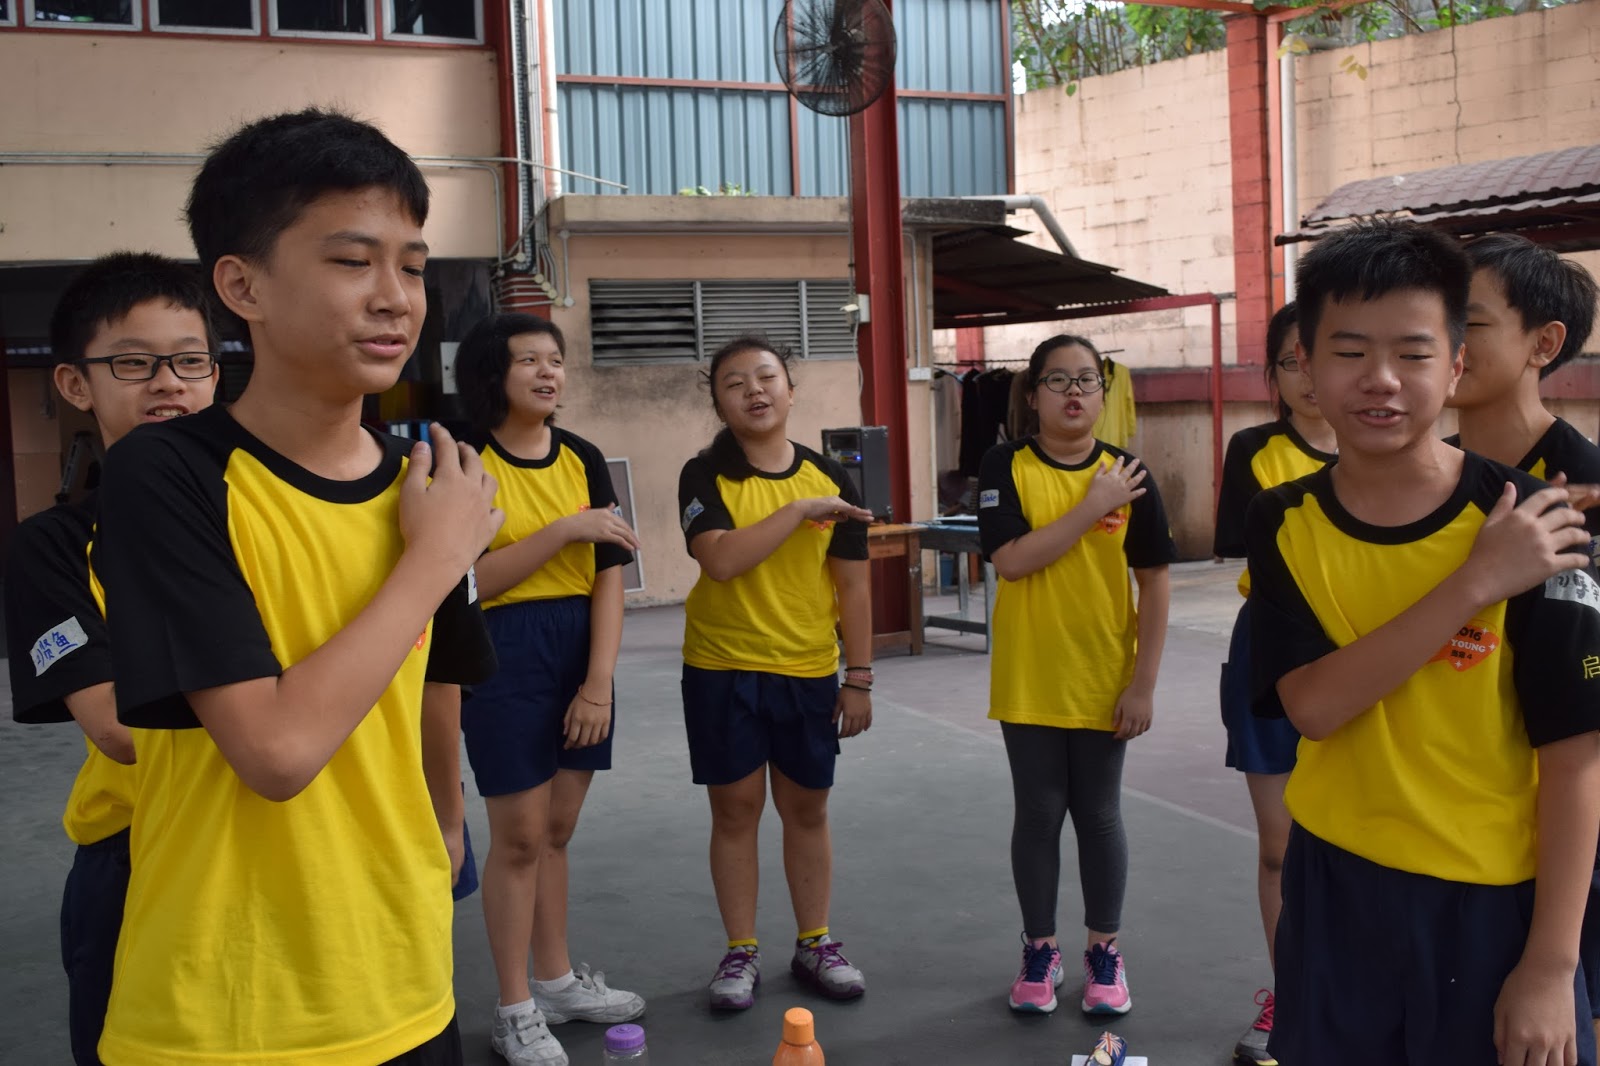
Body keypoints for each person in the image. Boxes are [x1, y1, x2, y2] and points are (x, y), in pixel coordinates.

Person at [92, 108, 501, 1066]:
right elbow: (274, 752)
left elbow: (437, 680)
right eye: (353, 261)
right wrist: (434, 559)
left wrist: (447, 820)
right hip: (230, 1008)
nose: (396, 299)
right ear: (243, 286)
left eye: (413, 266)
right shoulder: (169, 474)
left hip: (407, 981)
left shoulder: (423, 483)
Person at [1247, 220, 1600, 1066]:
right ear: (1305, 365)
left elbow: (1576, 760)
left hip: (1493, 902)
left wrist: (1553, 966)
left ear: (1455, 365)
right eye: (1349, 352)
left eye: (1413, 352)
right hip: (1336, 889)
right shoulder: (1284, 520)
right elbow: (1314, 707)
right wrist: (1476, 585)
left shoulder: (1536, 518)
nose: (1381, 379)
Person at [3, 252, 219, 1065]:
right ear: (74, 383)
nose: (169, 384)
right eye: (134, 363)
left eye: (190, 362)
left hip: (297, 830)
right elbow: (117, 728)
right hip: (137, 848)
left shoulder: (272, 515)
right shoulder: (54, 548)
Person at [453, 312, 645, 1066]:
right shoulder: (463, 459)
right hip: (500, 651)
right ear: (491, 374)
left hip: (579, 648)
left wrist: (599, 681)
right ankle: (514, 1008)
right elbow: (462, 583)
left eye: (555, 360)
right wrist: (563, 531)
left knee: (557, 831)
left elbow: (610, 576)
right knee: (520, 837)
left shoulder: (584, 456)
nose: (547, 372)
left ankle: (558, 982)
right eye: (528, 359)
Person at [977, 334, 1176, 1017]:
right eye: (1057, 380)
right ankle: (1040, 950)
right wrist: (1093, 506)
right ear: (1033, 395)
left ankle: (1103, 952)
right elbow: (1012, 560)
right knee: (1037, 812)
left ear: (1103, 394)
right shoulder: (1005, 464)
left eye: (1087, 380)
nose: (1073, 392)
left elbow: (1155, 582)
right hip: (1030, 674)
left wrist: (1143, 683)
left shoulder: (1131, 474)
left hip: (1103, 676)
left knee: (1098, 814)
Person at [676, 334, 874, 1012]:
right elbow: (721, 560)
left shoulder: (832, 478)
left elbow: (853, 586)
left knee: (807, 809)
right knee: (735, 811)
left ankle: (816, 941)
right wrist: (796, 512)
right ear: (718, 404)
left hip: (807, 669)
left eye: (766, 377)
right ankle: (741, 950)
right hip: (721, 669)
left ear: (790, 389)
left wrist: (859, 676)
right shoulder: (704, 475)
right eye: (734, 383)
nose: (754, 391)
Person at [1448, 232, 1600, 1052]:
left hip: (1561, 839)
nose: (1441, 341)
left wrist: (1551, 962)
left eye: (1468, 322)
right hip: (1447, 829)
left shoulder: (1582, 489)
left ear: (1544, 343)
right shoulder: (1423, 478)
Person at [1211, 301, 1336, 1064]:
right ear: (1276, 375)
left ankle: (1352, 993)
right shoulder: (1255, 450)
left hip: (1368, 647)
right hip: (1271, 648)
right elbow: (1252, 553)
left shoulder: (1396, 448)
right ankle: (1291, 995)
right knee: (1280, 847)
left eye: (1324, 356)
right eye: (1292, 362)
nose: (1310, 377)